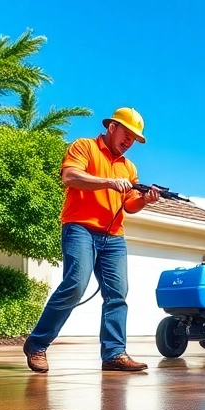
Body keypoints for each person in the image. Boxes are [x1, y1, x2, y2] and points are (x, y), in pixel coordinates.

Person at [24, 107, 162, 373]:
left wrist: (144, 199)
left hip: (113, 236)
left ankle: (114, 353)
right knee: (75, 284)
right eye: (127, 134)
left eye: (134, 139)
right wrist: (109, 182)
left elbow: (129, 205)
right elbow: (70, 176)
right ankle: (37, 344)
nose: (129, 142)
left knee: (117, 294)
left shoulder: (129, 168)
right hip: (80, 228)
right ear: (112, 127)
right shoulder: (84, 147)